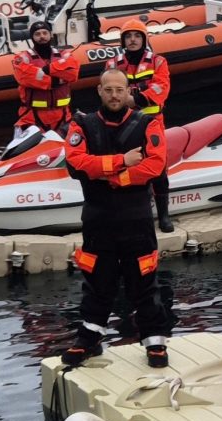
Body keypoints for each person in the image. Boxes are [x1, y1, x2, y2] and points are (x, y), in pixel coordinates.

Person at [60, 69, 172, 369]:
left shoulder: (148, 123)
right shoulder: (82, 123)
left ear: (128, 92)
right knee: (97, 279)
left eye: (119, 90)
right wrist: (122, 162)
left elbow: (155, 166)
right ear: (99, 90)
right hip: (98, 217)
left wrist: (114, 178)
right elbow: (75, 163)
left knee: (144, 279)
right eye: (108, 89)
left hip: (135, 217)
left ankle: (155, 340)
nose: (114, 95)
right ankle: (90, 336)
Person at [106, 18, 175, 232]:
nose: (133, 40)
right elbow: (109, 88)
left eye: (137, 36)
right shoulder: (112, 64)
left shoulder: (158, 62)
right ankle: (128, 213)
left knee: (158, 171)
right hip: (123, 124)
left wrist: (133, 99)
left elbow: (161, 89)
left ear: (144, 39)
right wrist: (133, 93)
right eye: (128, 36)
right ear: (123, 41)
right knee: (124, 166)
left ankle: (164, 216)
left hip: (152, 124)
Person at [12, 20, 79, 139]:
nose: (42, 36)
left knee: (70, 152)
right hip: (32, 117)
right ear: (32, 38)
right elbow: (25, 77)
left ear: (50, 35)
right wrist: (57, 79)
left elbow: (73, 72)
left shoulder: (64, 54)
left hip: (63, 117)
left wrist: (48, 69)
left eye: (45, 33)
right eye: (37, 34)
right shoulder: (22, 58)